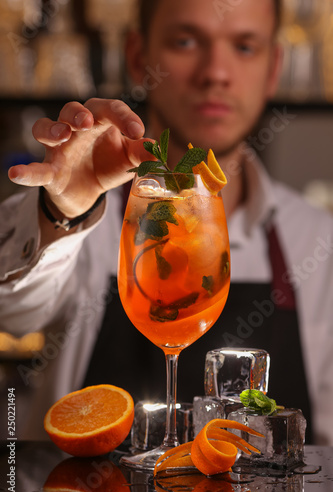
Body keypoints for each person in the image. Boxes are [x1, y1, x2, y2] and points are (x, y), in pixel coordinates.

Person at [0, 0, 332, 445]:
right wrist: (62, 211)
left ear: (274, 68)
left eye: (245, 46)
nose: (216, 72)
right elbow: (13, 314)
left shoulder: (317, 239)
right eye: (186, 41)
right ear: (138, 57)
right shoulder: (99, 215)